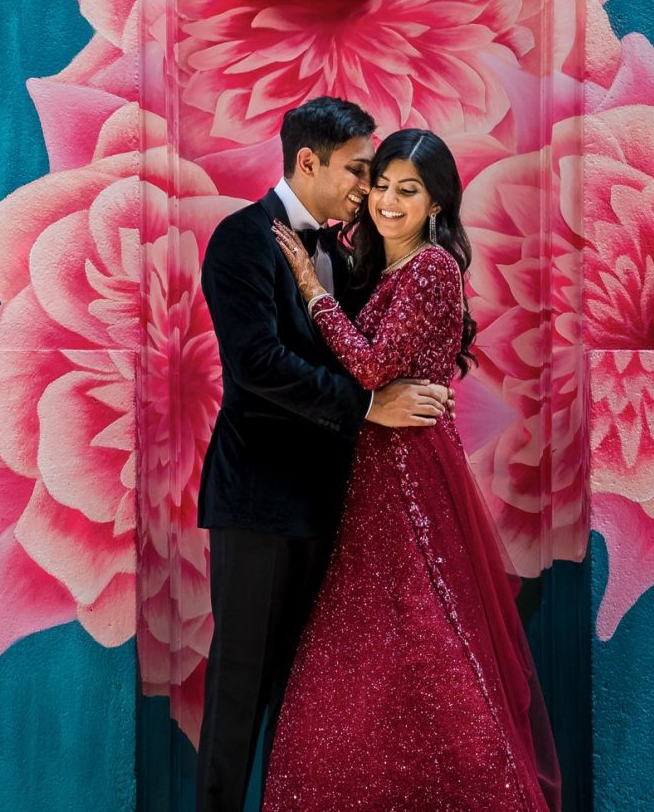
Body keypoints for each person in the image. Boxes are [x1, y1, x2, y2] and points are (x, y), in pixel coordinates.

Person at [262, 129, 562, 812]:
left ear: (436, 205)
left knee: (419, 630)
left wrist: (310, 287)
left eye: (410, 191)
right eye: (384, 187)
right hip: (374, 472)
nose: (389, 202)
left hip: (406, 478)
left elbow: (368, 368)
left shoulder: (430, 269)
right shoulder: (387, 267)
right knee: (371, 640)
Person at [195, 98, 458, 812]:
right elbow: (256, 365)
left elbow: (376, 351)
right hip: (257, 502)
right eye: (357, 171)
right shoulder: (240, 240)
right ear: (306, 161)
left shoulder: (346, 253)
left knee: (314, 702)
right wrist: (372, 405)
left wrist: (424, 385)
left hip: (336, 508)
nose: (367, 189)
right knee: (239, 690)